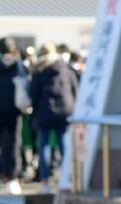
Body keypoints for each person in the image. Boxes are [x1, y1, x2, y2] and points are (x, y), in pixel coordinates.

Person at [28, 43, 77, 186]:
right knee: (63, 145)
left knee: (44, 146)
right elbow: (75, 88)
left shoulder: (39, 70)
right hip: (65, 111)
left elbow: (33, 94)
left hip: (44, 112)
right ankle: (67, 178)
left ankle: (44, 180)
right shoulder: (65, 68)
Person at [0, 38, 27, 195]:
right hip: (14, 110)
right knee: (13, 144)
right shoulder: (18, 65)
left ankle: (4, 174)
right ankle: (12, 177)